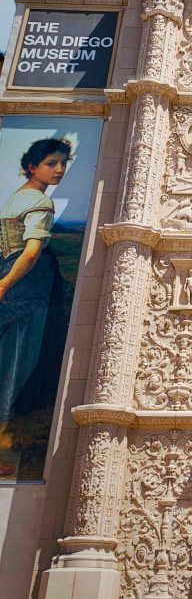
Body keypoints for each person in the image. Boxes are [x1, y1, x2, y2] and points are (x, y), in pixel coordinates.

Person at [0, 138, 71, 477]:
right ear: (32, 166)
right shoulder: (39, 202)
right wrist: (5, 284)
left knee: (8, 350)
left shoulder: (15, 199)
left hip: (10, 275)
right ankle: (7, 435)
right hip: (27, 283)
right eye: (52, 163)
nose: (59, 169)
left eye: (62, 163)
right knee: (22, 356)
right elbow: (30, 253)